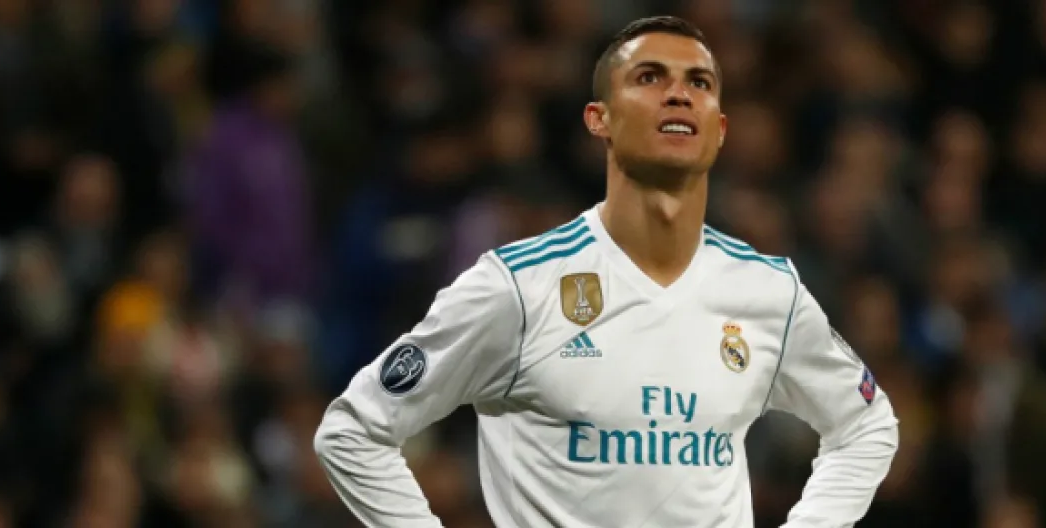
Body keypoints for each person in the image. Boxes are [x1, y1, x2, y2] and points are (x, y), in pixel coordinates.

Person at [314, 16, 898, 527]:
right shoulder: (519, 288)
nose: (679, 94)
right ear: (600, 119)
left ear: (720, 130)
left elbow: (866, 425)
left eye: (699, 83)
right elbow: (352, 432)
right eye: (650, 78)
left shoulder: (768, 292)